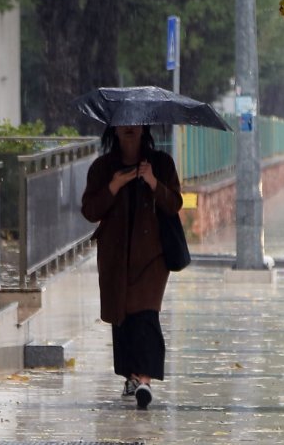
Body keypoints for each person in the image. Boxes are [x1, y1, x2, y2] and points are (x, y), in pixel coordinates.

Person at [81, 125, 182, 410]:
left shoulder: (161, 163)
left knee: (146, 314)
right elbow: (90, 210)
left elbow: (174, 203)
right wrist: (114, 185)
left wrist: (152, 181)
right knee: (122, 315)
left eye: (135, 123)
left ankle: (145, 381)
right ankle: (132, 376)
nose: (129, 128)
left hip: (152, 257)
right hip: (115, 256)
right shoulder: (103, 167)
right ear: (114, 128)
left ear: (143, 128)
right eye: (123, 122)